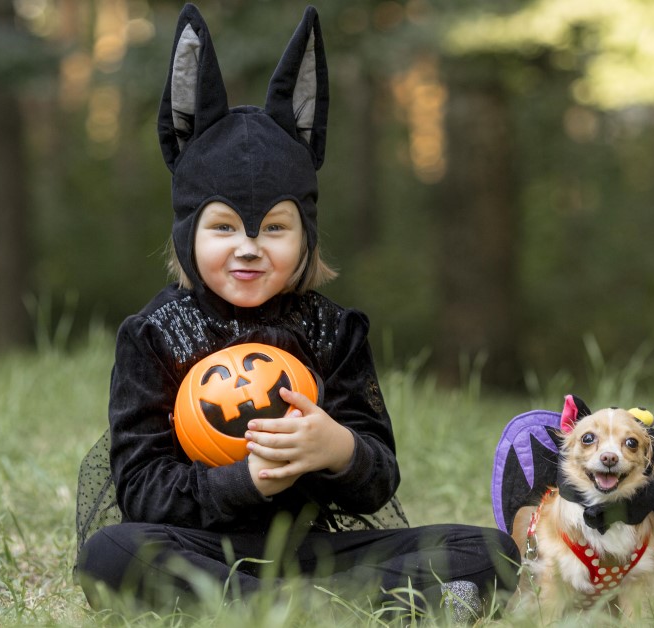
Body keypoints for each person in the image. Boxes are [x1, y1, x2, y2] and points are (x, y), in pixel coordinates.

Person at [74, 4, 519, 619]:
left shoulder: (331, 332)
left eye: (274, 227)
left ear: (305, 234)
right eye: (224, 226)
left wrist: (338, 449)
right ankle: (336, 606)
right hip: (200, 545)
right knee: (110, 553)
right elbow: (143, 490)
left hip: (315, 549)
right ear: (188, 233)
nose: (249, 246)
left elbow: (378, 479)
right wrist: (246, 480)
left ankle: (292, 601)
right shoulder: (156, 336)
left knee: (488, 549)